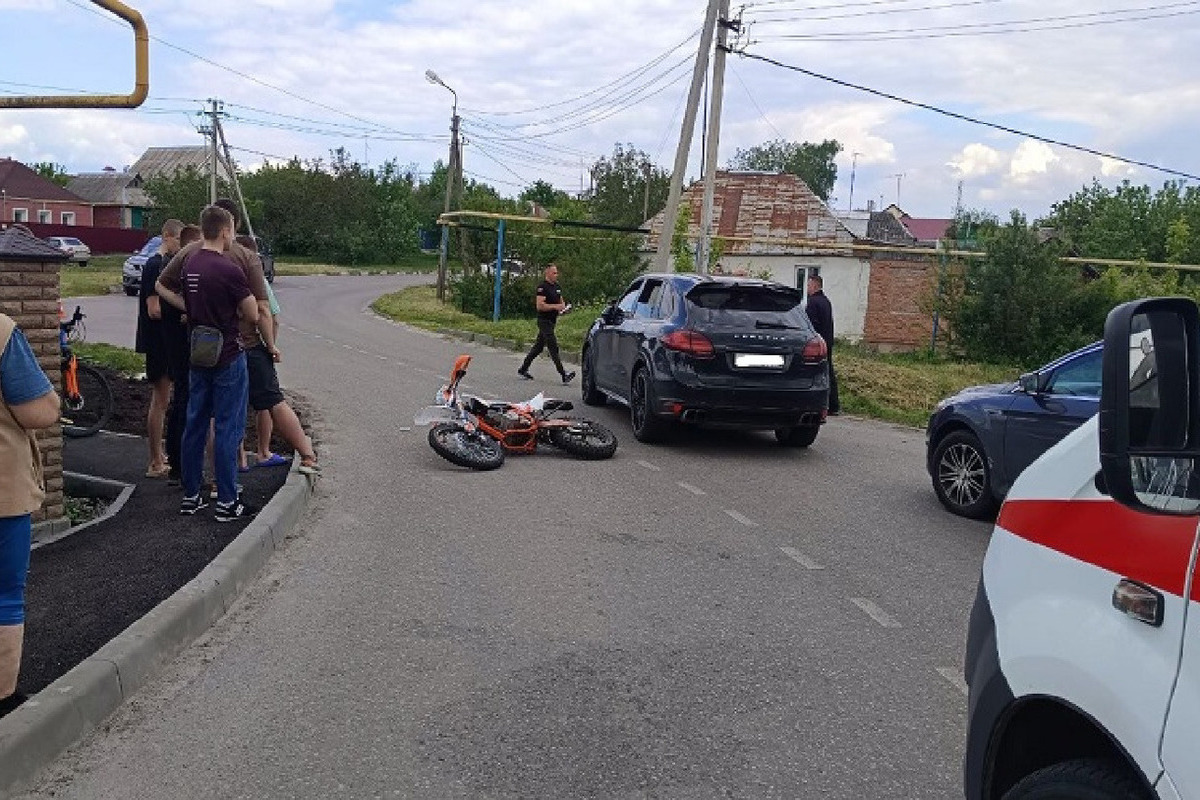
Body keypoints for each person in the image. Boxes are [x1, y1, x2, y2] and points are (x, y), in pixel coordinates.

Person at [158, 205, 259, 520]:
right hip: (227, 352)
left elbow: (173, 292)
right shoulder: (229, 268)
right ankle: (228, 502)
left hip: (197, 351)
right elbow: (252, 312)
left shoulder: (190, 263)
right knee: (229, 426)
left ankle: (191, 496)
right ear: (226, 231)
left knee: (195, 422)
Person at [0, 313, 60, 718]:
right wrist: (54, 401)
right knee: (4, 596)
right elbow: (37, 411)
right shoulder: (2, 333)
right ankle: (3, 698)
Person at [135, 219, 183, 478]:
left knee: (164, 400)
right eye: (178, 240)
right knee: (161, 400)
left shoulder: (161, 264)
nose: (179, 247)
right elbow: (153, 310)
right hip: (158, 341)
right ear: (167, 236)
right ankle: (155, 461)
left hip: (165, 341)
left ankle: (160, 454)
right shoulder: (155, 265)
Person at [163, 224, 201, 485]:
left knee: (181, 402)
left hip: (177, 347)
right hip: (181, 347)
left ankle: (178, 464)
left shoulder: (172, 272)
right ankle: (182, 467)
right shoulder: (179, 271)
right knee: (185, 404)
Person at [517, 263, 575, 384]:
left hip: (552, 320)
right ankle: (564, 374)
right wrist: (556, 307)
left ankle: (523, 369)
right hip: (544, 321)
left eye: (556, 273)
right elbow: (540, 306)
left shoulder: (557, 287)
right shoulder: (542, 288)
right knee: (553, 346)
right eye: (554, 273)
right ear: (547, 273)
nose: (556, 275)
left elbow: (561, 303)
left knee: (538, 348)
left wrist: (563, 309)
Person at [805, 273, 839, 415]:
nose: (807, 288)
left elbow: (812, 325)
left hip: (818, 344)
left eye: (808, 285)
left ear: (814, 285)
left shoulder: (813, 302)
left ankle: (818, 404)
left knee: (817, 374)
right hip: (828, 341)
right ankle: (834, 404)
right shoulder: (826, 301)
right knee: (829, 372)